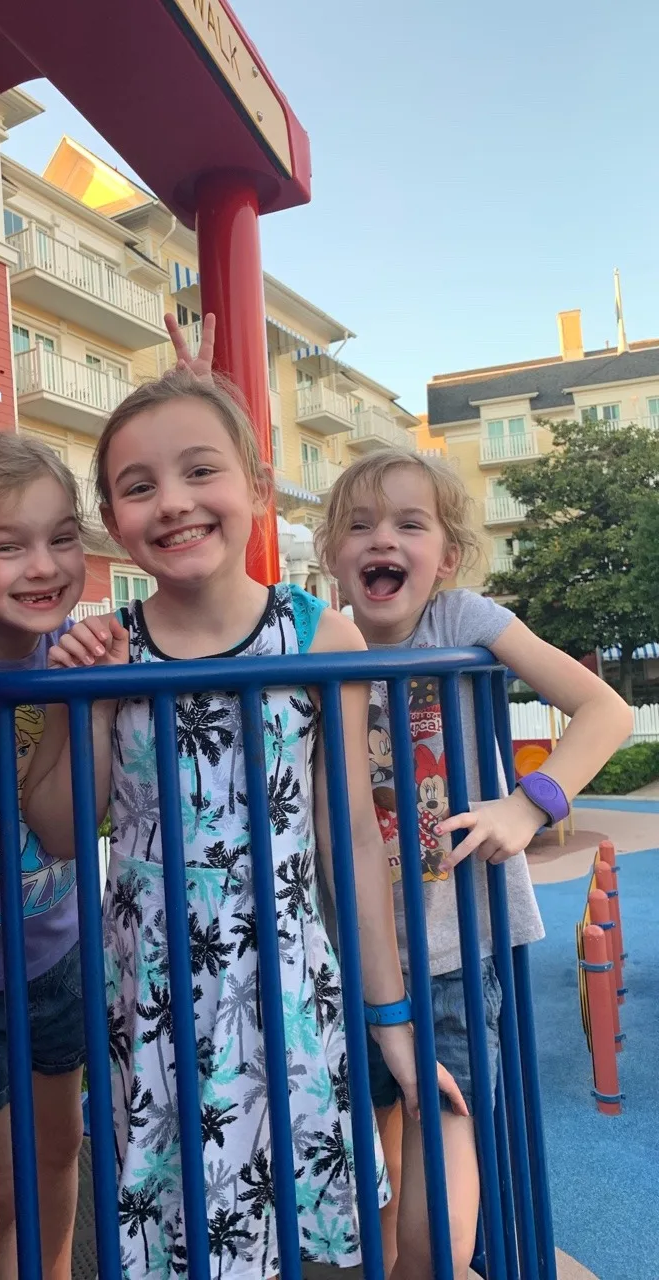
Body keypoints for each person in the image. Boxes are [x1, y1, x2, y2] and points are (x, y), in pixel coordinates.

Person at [24, 369, 465, 1280]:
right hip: (155, 995)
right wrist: (92, 699)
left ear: (256, 487)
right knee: (171, 1228)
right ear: (113, 514)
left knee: (307, 1238)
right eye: (139, 486)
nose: (174, 503)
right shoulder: (111, 645)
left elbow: (349, 841)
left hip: (288, 986)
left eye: (200, 472)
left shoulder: (316, 639)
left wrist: (391, 1022)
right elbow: (64, 832)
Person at [314, 448, 632, 1279]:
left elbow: (606, 710)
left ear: (446, 558)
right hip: (342, 959)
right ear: (332, 558)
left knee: (442, 1179)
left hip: (453, 953)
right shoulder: (321, 638)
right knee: (369, 1169)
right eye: (358, 525)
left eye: (408, 525)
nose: (381, 538)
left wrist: (532, 803)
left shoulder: (457, 621)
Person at [0, 433, 88, 1280]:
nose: (42, 565)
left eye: (61, 536)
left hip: (56, 952)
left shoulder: (76, 656)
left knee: (61, 1152)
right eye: (8, 546)